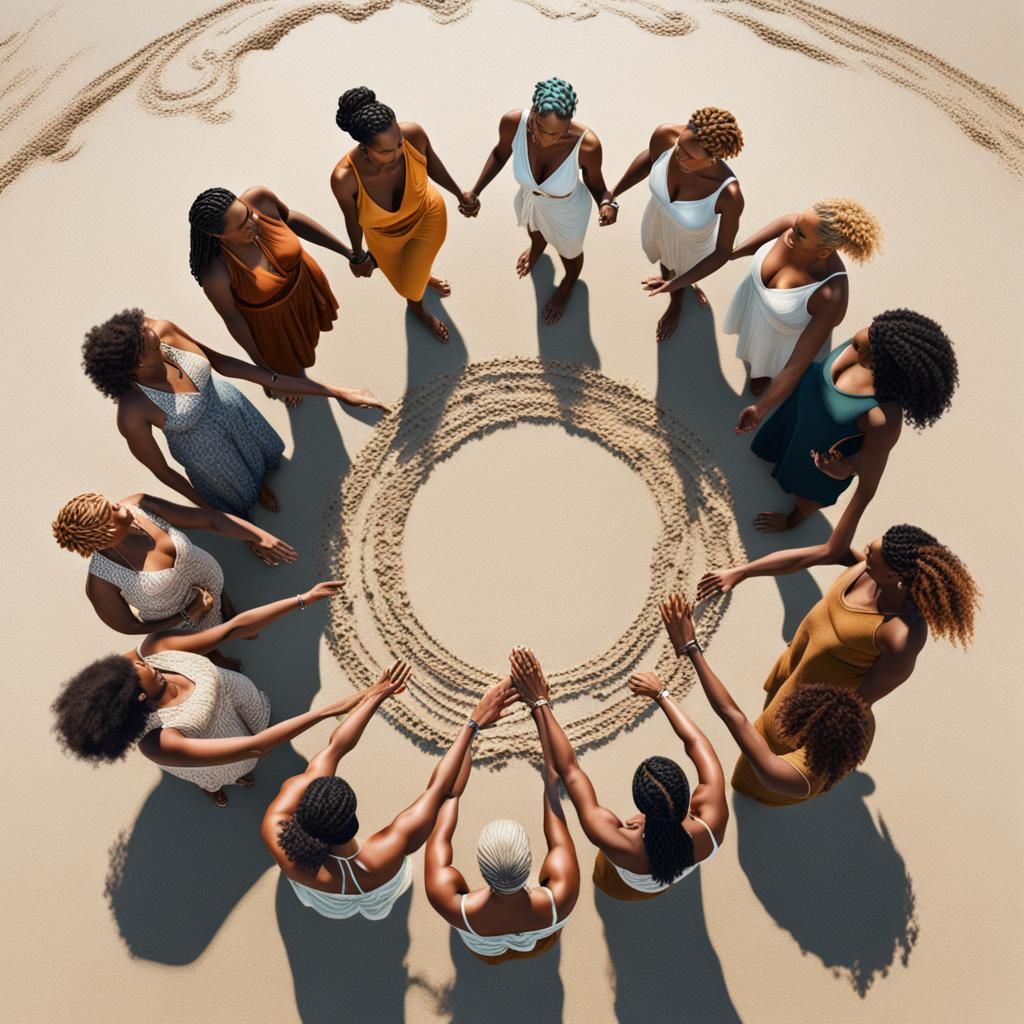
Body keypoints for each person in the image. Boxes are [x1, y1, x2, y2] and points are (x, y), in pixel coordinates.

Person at [51, 581, 355, 807]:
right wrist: (327, 711)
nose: (145, 661)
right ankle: (215, 785)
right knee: (230, 771)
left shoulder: (156, 649)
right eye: (142, 670)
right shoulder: (160, 741)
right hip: (227, 750)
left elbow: (233, 629)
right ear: (139, 698)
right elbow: (254, 748)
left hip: (240, 701)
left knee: (260, 727)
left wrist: (304, 598)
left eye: (140, 662)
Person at [262, 670, 517, 921]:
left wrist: (377, 694)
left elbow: (335, 748)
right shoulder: (385, 851)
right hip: (377, 888)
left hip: (322, 895)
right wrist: (473, 723)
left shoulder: (276, 831)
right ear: (353, 819)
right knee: (378, 908)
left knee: (332, 906)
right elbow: (440, 789)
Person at [82, 310, 387, 515]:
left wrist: (336, 392)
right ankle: (250, 499)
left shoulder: (161, 331)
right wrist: (215, 517)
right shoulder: (132, 412)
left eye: (148, 330)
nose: (156, 335)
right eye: (150, 344)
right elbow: (162, 472)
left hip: (236, 412)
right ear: (135, 365)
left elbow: (223, 363)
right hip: (210, 458)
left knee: (264, 461)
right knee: (242, 497)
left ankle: (262, 481)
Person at [508, 646, 727, 902]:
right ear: (688, 797)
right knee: (666, 875)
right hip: (672, 866)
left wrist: (540, 701)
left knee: (606, 881)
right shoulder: (712, 821)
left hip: (629, 884)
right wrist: (662, 694)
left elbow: (570, 771)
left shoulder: (619, 842)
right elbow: (697, 744)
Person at [697, 523, 979, 709]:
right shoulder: (863, 567)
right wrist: (741, 572)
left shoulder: (900, 636)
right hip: (792, 664)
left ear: (894, 574)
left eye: (873, 555)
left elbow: (861, 701)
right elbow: (803, 559)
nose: (866, 548)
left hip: (807, 705)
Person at [737, 309, 958, 532]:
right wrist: (761, 407)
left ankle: (793, 521)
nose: (858, 340)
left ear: (886, 368)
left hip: (818, 458)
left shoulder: (882, 417)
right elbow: (798, 367)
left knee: (806, 499)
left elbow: (868, 486)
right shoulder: (863, 342)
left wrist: (846, 469)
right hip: (796, 418)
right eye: (872, 330)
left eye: (868, 350)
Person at [660, 595, 874, 806]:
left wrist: (691, 647)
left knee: (749, 787)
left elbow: (732, 715)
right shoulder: (859, 722)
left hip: (772, 788)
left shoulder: (793, 777)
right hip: (805, 762)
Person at [424, 679, 580, 964]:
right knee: (538, 944)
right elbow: (553, 782)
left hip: (480, 938)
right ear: (531, 861)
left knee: (490, 955)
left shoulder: (448, 902)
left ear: (482, 868)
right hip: (541, 933)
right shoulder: (563, 895)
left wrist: (473, 725)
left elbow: (446, 796)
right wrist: (539, 705)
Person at [464, 77, 616, 324]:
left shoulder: (587, 145)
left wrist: (607, 204)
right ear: (533, 113)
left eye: (562, 131)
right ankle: (537, 248)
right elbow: (500, 153)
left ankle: (568, 282)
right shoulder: (513, 123)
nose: (554, 138)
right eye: (546, 131)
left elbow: (598, 186)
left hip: (567, 211)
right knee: (534, 231)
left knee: (570, 254)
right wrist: (476, 191)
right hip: (529, 200)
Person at [331, 86, 476, 342]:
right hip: (383, 238)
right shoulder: (345, 179)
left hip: (427, 217)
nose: (398, 154)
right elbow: (351, 220)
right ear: (364, 148)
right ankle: (421, 277)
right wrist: (357, 256)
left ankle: (418, 308)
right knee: (408, 279)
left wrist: (459, 194)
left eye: (399, 144)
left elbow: (432, 163)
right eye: (386, 152)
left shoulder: (413, 134)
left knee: (409, 286)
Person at [52, 491, 298, 640]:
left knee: (221, 593)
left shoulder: (140, 506)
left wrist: (257, 535)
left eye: (107, 502)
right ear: (102, 535)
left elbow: (208, 520)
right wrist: (186, 615)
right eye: (109, 511)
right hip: (184, 623)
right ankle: (217, 652)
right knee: (209, 646)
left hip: (207, 574)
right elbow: (127, 625)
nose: (116, 504)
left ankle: (230, 611)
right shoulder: (101, 583)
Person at [188, 185, 350, 406]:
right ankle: (293, 380)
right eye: (242, 224)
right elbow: (234, 321)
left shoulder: (261, 200)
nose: (253, 220)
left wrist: (348, 252)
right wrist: (266, 373)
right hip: (273, 325)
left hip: (305, 290)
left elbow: (290, 219)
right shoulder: (216, 274)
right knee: (290, 367)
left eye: (248, 212)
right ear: (219, 236)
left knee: (309, 342)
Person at [610, 107, 745, 342]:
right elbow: (651, 159)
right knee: (664, 259)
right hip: (658, 220)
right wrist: (612, 194)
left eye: (690, 157)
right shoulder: (666, 135)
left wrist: (674, 285)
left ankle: (678, 299)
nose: (679, 156)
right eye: (680, 147)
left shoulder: (729, 194)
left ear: (713, 157)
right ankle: (673, 282)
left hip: (692, 243)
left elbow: (723, 252)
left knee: (681, 272)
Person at [723, 198, 881, 396]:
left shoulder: (831, 291)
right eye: (797, 224)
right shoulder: (791, 225)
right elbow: (739, 251)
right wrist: (729, 254)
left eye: (801, 234)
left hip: (778, 335)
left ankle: (763, 374)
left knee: (764, 361)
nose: (791, 231)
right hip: (755, 306)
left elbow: (833, 322)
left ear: (823, 252)